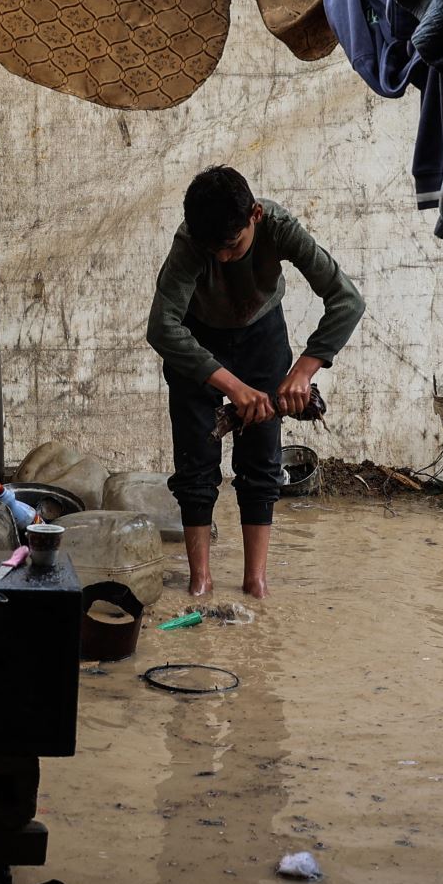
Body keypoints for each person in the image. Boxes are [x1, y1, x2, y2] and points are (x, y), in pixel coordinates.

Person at [145, 166, 365, 599]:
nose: (223, 259)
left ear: (255, 216)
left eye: (232, 247)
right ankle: (200, 580)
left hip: (262, 339)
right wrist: (231, 386)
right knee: (196, 463)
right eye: (215, 252)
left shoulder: (279, 228)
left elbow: (347, 300)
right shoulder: (192, 242)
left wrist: (302, 371)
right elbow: (163, 328)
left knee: (261, 463)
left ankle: (255, 581)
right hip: (197, 343)